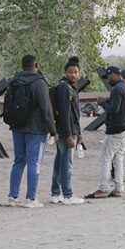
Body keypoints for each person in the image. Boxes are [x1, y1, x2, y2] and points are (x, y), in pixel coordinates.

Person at [0, 55, 55, 208]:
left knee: (18, 161)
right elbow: (46, 108)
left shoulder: (13, 81)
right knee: (34, 163)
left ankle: (13, 196)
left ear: (22, 66)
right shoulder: (39, 83)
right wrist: (53, 130)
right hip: (36, 129)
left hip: (17, 126)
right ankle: (31, 198)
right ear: (36, 65)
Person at [89, 66, 125, 199]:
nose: (108, 80)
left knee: (105, 159)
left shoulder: (117, 89)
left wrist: (102, 103)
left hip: (116, 130)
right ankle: (118, 188)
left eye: (108, 77)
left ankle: (102, 189)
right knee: (118, 158)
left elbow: (114, 109)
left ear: (113, 75)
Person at [50, 57, 84, 205]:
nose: (73, 75)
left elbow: (75, 113)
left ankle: (55, 193)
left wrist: (79, 133)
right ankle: (67, 195)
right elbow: (64, 113)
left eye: (75, 72)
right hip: (66, 131)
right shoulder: (65, 88)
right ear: (65, 72)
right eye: (70, 72)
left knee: (59, 161)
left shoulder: (72, 87)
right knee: (66, 163)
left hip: (72, 130)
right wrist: (69, 135)